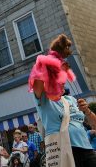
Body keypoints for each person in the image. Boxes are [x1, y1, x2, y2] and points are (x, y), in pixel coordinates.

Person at [30, 34, 96, 167]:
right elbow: (37, 79)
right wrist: (52, 58)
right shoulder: (44, 99)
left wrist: (87, 111)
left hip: (87, 150)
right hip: (63, 150)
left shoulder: (70, 99)